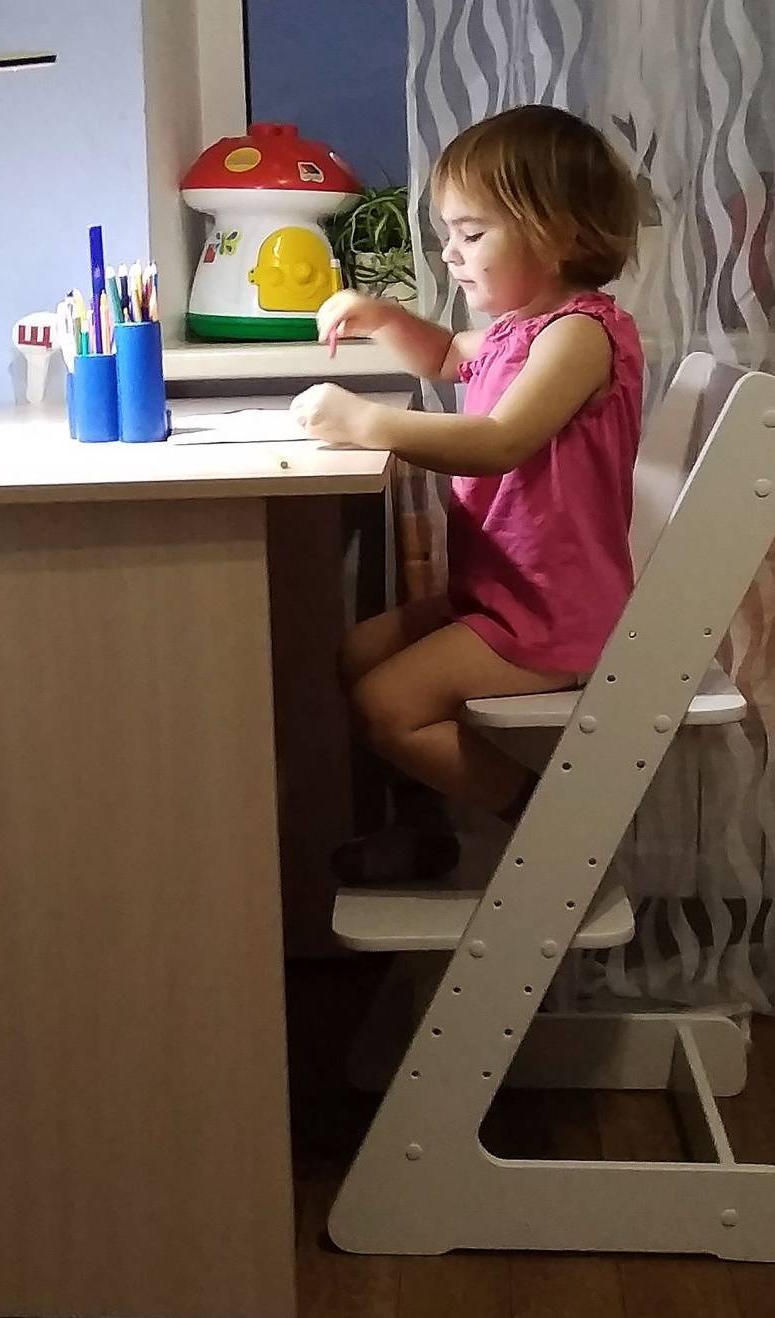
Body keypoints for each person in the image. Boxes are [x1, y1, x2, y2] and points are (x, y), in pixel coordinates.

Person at [291, 104, 644, 882]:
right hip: (501, 595)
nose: (450, 252)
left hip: (553, 612)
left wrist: (368, 424)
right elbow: (451, 355)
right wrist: (383, 317)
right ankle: (427, 827)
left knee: (387, 707)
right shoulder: (522, 329)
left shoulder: (579, 336)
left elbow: (501, 441)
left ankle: (549, 823)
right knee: (355, 653)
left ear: (558, 235)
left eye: (472, 233)